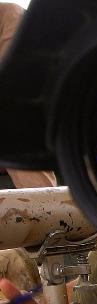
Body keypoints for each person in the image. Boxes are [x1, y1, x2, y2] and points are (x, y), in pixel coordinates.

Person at [0, 2, 56, 189]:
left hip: (21, 122)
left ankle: (44, 212)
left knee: (14, 123)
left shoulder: (8, 14)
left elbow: (12, 79)